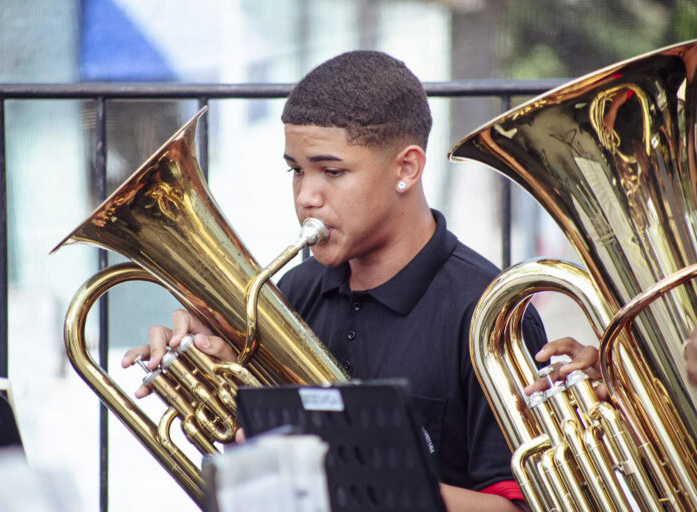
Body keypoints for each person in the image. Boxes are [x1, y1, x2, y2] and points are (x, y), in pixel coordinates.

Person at [123, 50, 568, 511]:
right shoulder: (293, 292)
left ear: (406, 169)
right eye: (296, 170)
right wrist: (216, 378)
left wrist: (368, 479)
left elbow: (525, 507)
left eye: (332, 172)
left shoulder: (488, 314)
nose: (306, 196)